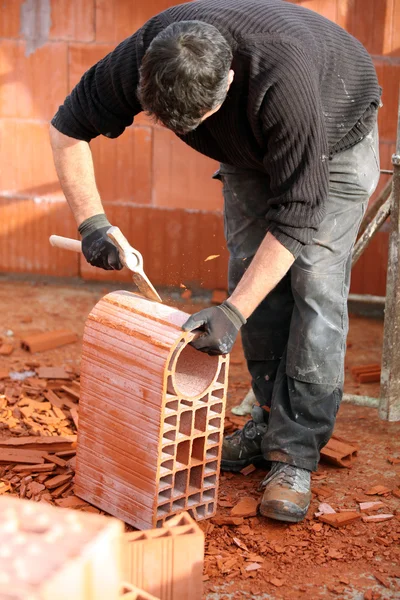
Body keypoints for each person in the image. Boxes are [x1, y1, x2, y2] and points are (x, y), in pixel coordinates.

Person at [50, 0, 381, 523]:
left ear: (227, 82)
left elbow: (298, 215)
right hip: (249, 142)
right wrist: (92, 223)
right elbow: (67, 130)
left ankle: (294, 454)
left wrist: (232, 312)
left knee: (314, 282)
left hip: (332, 137)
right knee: (251, 265)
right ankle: (268, 421)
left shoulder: (283, 77)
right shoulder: (145, 54)